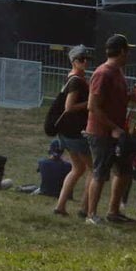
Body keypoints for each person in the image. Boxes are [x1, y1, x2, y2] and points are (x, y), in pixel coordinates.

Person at [83, 33, 136, 225]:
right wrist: (113, 128)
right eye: (128, 51)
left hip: (117, 131)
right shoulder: (103, 73)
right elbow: (92, 106)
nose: (129, 55)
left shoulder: (118, 72)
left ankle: (113, 212)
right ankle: (91, 215)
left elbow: (118, 99)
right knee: (100, 173)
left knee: (125, 171)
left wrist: (132, 96)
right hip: (101, 133)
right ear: (122, 51)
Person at [52, 45, 93, 217]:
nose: (85, 62)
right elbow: (69, 107)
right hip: (76, 131)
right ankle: (84, 208)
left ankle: (60, 206)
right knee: (93, 169)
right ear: (74, 62)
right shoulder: (76, 80)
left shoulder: (74, 78)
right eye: (81, 59)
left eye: (86, 59)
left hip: (66, 131)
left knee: (78, 168)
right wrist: (90, 103)